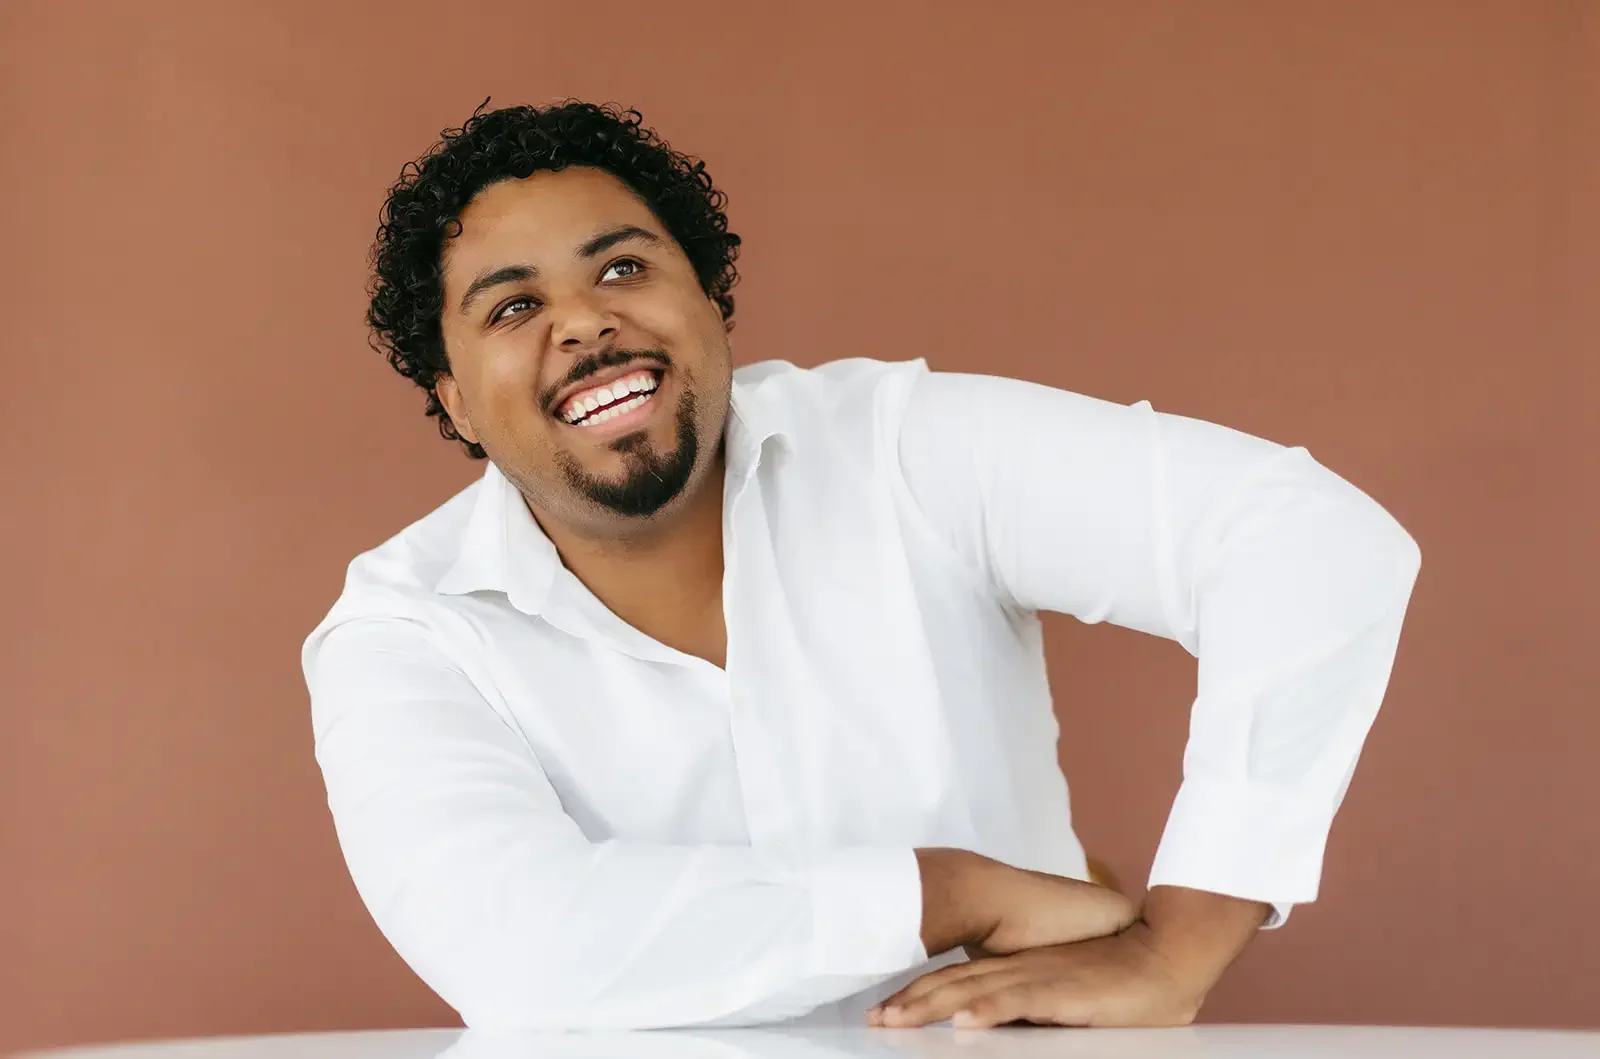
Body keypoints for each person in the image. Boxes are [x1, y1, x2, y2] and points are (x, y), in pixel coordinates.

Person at [302, 100, 1422, 1031]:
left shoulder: (898, 449)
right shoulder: (405, 634)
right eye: (512, 306)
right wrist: (952, 893)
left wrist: (1184, 940)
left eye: (626, 267)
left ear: (708, 303)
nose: (585, 324)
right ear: (455, 403)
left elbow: (1306, 538)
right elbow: (515, 944)